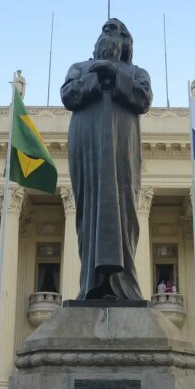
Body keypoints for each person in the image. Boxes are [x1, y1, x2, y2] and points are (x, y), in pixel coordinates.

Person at [61, 18, 153, 300]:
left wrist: (114, 74)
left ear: (127, 43)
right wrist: (96, 75)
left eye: (117, 31)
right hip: (87, 147)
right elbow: (68, 95)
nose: (109, 35)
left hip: (121, 147)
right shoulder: (80, 68)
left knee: (123, 209)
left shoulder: (137, 72)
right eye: (105, 30)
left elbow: (143, 99)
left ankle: (122, 284)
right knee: (89, 211)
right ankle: (92, 283)